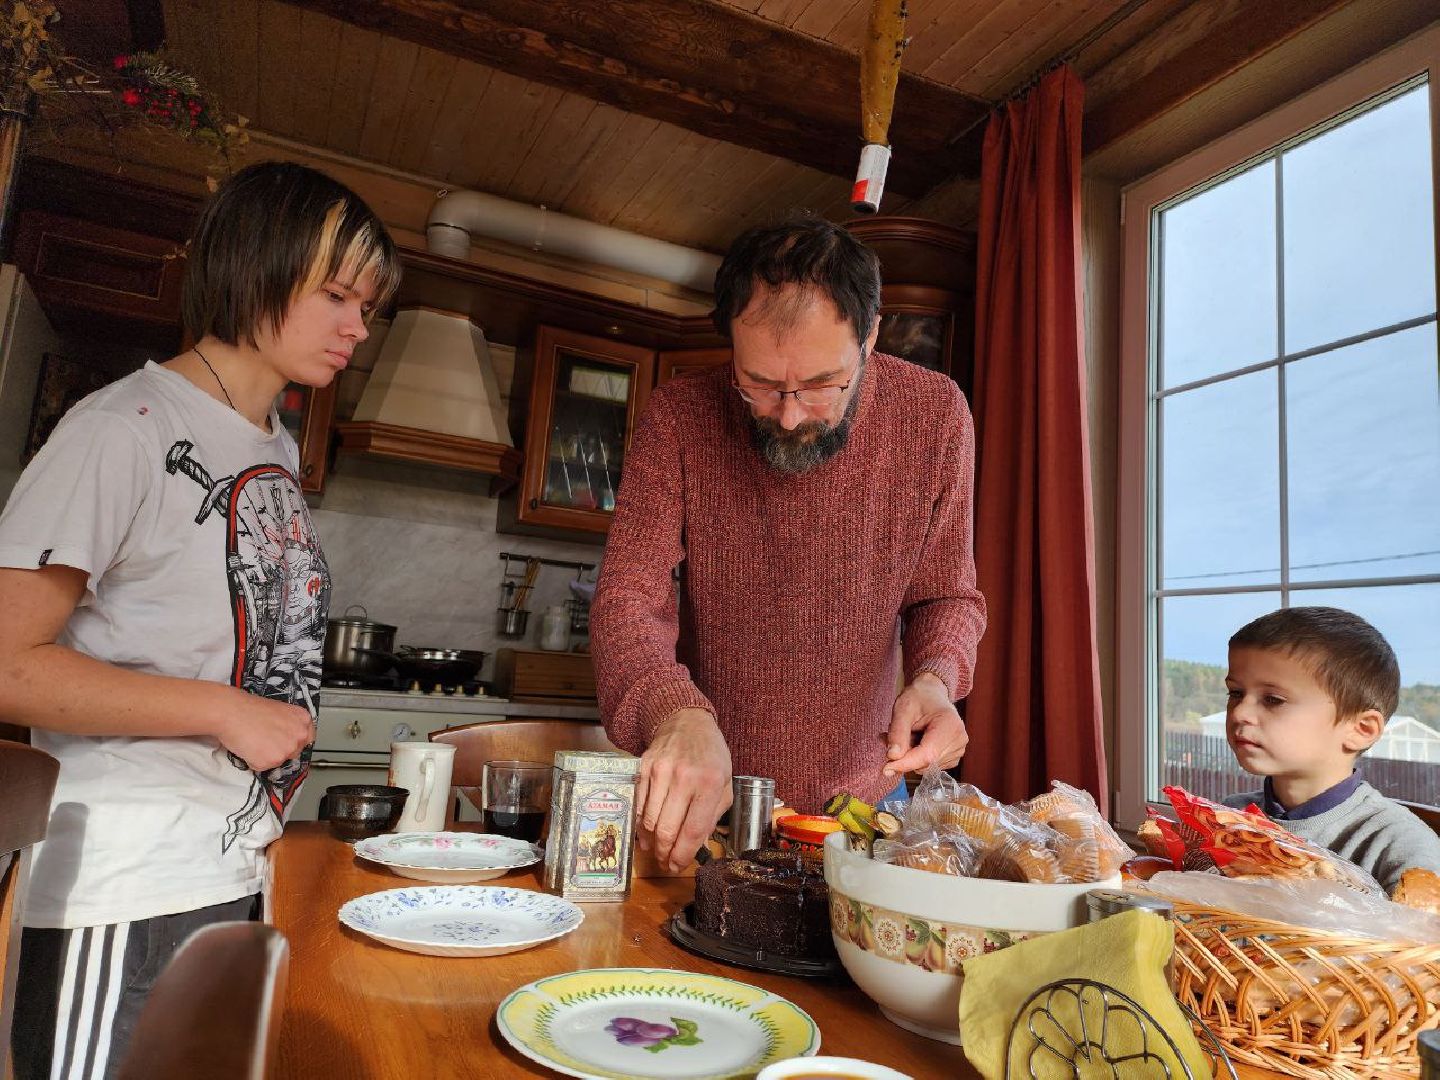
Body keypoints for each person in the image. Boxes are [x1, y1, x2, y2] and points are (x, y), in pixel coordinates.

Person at [0, 161, 399, 1079]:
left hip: (230, 862)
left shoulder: (272, 445)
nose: (358, 327)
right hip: (125, 886)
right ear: (257, 268)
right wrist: (224, 711)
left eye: (368, 306)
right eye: (336, 295)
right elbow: (9, 659)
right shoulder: (123, 428)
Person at [590, 215, 987, 872]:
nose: (791, 413)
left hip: (866, 804)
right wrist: (674, 713)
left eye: (822, 384)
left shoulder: (936, 415)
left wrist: (936, 679)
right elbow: (628, 598)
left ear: (871, 335)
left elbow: (946, 595)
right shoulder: (679, 417)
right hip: (709, 800)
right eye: (761, 385)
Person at [1221, 606, 1440, 892]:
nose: (1239, 713)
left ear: (1360, 730)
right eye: (1236, 693)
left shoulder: (1400, 847)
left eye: (1273, 699)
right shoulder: (1229, 817)